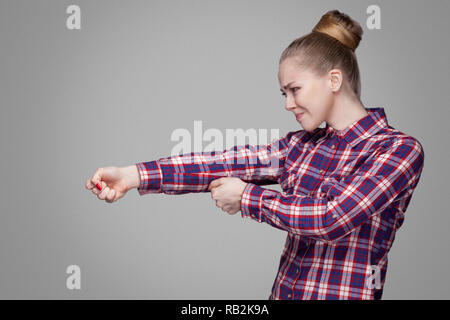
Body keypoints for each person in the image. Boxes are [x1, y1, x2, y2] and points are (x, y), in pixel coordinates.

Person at [85, 10, 424, 300]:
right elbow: (222, 163)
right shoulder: (299, 145)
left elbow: (330, 217)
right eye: (283, 92)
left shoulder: (397, 149)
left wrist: (247, 198)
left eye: (295, 89)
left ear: (333, 79)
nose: (288, 104)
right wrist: (133, 176)